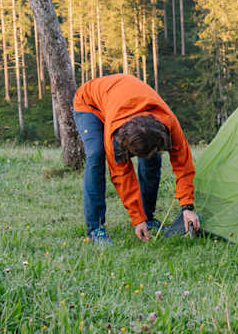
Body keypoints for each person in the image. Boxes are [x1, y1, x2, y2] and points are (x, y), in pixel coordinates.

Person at [72, 74, 200, 244]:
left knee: (152, 159)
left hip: (121, 98)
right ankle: (95, 228)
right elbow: (122, 176)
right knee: (96, 155)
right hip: (89, 104)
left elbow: (183, 164)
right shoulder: (115, 132)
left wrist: (187, 207)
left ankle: (148, 217)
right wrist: (137, 219)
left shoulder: (168, 122)